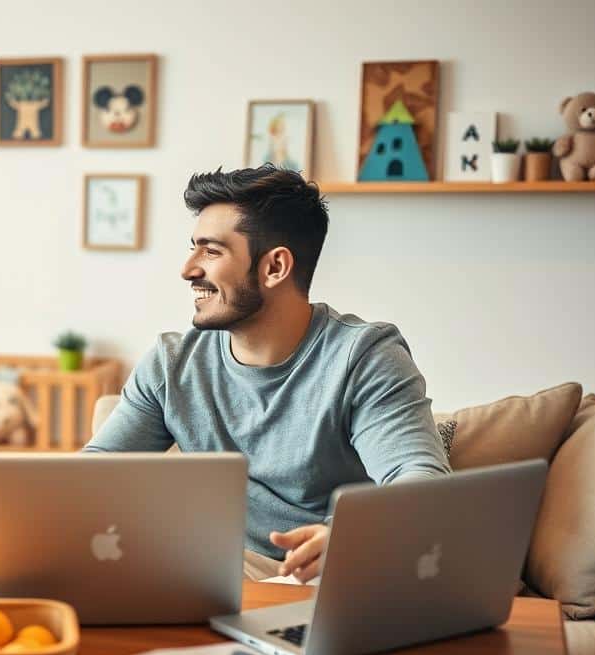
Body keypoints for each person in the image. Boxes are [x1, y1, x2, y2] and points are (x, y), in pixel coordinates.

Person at [86, 165, 449, 582]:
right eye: (193, 248)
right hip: (216, 575)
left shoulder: (364, 357)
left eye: (211, 251)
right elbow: (95, 475)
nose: (188, 269)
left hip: (329, 576)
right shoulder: (172, 363)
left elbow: (421, 483)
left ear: (275, 267)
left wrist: (350, 536)